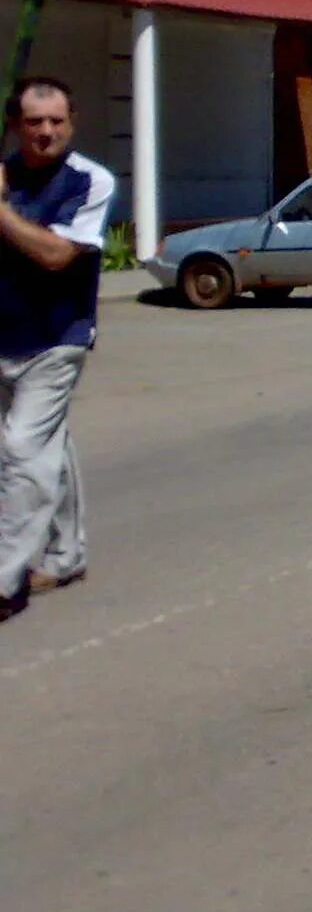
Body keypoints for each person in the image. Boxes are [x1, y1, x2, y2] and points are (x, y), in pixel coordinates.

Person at [0, 78, 114, 621]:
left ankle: (2, 579)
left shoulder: (90, 181)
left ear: (72, 122)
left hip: (56, 338)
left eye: (56, 121)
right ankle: (66, 555)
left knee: (22, 451)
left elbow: (54, 255)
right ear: (17, 126)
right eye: (33, 121)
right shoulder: (5, 175)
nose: (45, 131)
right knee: (47, 445)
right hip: (4, 334)